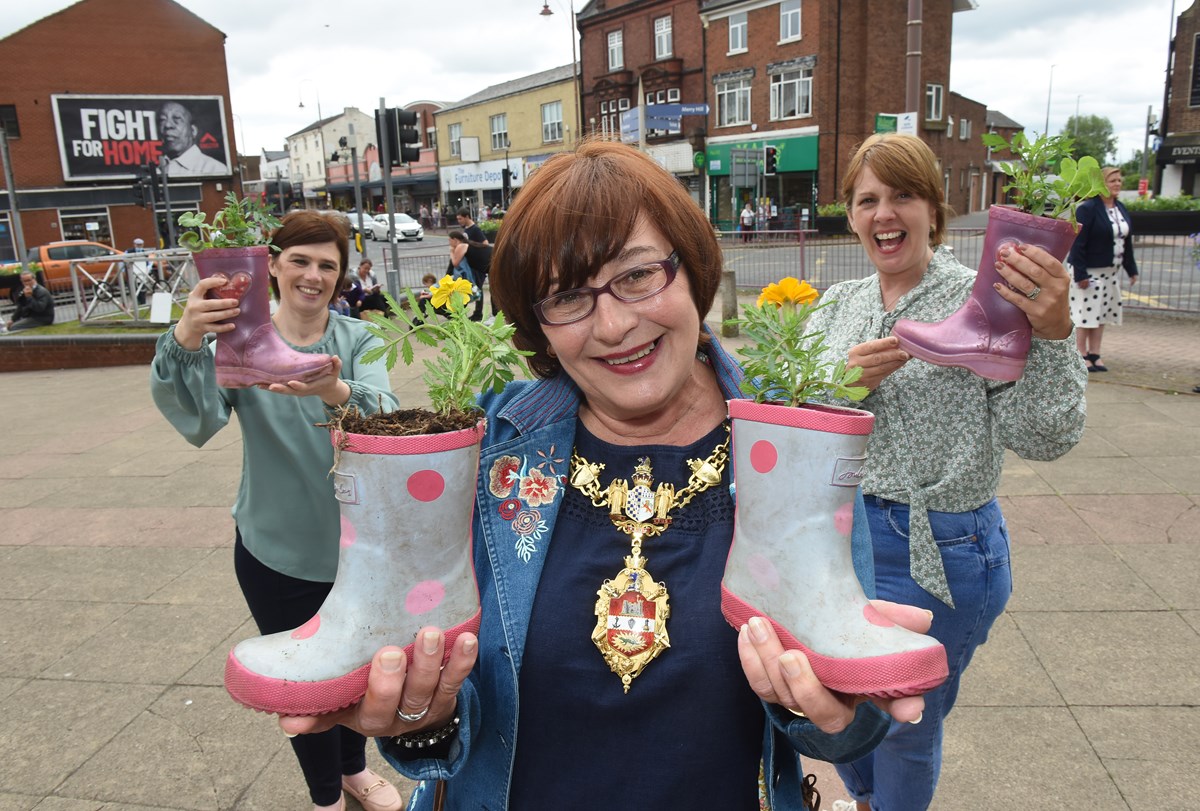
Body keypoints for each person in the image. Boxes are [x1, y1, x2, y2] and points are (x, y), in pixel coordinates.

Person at [279, 140, 933, 811]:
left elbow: (846, 729)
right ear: (537, 324)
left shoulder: (795, 438)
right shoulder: (488, 448)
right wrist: (420, 719)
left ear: (690, 268)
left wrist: (836, 708)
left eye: (638, 275)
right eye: (567, 296)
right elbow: (450, 711)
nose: (615, 324)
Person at [803, 133, 1087, 811]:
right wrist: (836, 384)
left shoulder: (989, 299)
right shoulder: (836, 305)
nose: (884, 213)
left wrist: (1049, 336)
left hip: (940, 548)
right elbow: (794, 415)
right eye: (867, 198)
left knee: (906, 721)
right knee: (842, 699)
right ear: (850, 215)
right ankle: (867, 801)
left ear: (934, 207)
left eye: (902, 194)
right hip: (842, 544)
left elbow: (1043, 436)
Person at [150, 211, 404, 811]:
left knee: (352, 674)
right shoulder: (239, 344)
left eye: (327, 265)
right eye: (300, 260)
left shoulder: (357, 340)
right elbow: (199, 418)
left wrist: (332, 391)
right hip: (275, 546)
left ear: (340, 277)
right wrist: (186, 340)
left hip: (353, 548)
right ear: (271, 265)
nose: (312, 275)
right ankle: (325, 796)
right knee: (301, 689)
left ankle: (352, 770)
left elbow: (387, 413)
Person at [1067, 166, 1139, 373]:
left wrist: (1131, 269)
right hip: (1088, 271)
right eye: (1112, 180)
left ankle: (1095, 354)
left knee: (1101, 314)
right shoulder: (1087, 209)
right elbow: (1078, 244)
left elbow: (1126, 242)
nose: (1117, 184)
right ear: (1100, 184)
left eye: (1119, 180)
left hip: (1110, 272)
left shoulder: (1120, 208)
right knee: (1085, 314)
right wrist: (1080, 274)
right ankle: (1081, 353)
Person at [157, 101, 227, 177]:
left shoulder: (214, 169)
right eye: (162, 120)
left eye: (176, 119)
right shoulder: (156, 170)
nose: (167, 125)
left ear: (193, 130)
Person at [454, 207, 493, 320]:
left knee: (478, 289)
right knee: (476, 289)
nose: (459, 221)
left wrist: (472, 247)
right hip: (475, 266)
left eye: (460, 219)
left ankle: (479, 313)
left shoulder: (475, 229)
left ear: (467, 217)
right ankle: (477, 313)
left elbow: (485, 243)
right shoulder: (467, 230)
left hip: (481, 265)